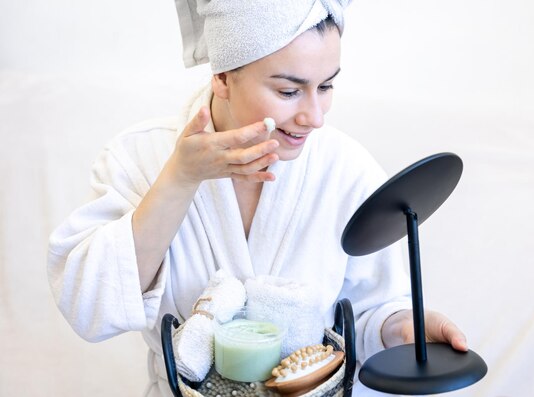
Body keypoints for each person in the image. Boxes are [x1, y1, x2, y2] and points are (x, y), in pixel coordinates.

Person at [47, 1, 469, 396]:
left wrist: (402, 331)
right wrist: (180, 179)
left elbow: (370, 312)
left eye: (326, 86)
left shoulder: (347, 168)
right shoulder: (140, 157)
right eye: (289, 91)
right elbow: (92, 308)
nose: (315, 117)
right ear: (223, 76)